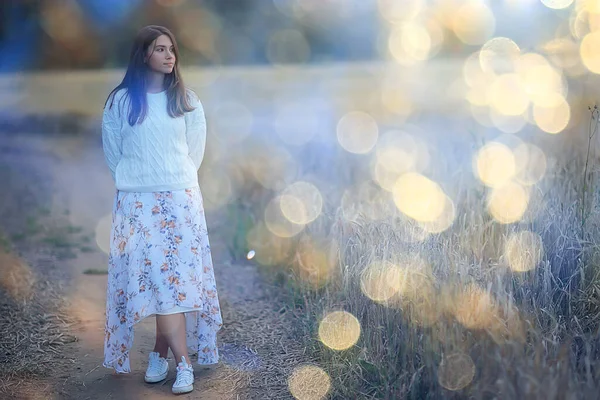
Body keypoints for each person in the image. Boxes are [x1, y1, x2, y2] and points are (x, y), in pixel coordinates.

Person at [100, 25, 222, 395]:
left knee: (174, 283)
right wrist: (140, 181)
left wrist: (174, 180)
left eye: (172, 49)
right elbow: (113, 156)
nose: (170, 56)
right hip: (137, 203)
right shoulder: (120, 102)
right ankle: (182, 361)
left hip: (180, 201)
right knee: (159, 282)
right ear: (143, 55)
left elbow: (194, 154)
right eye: (160, 49)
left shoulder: (187, 99)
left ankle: (165, 355)